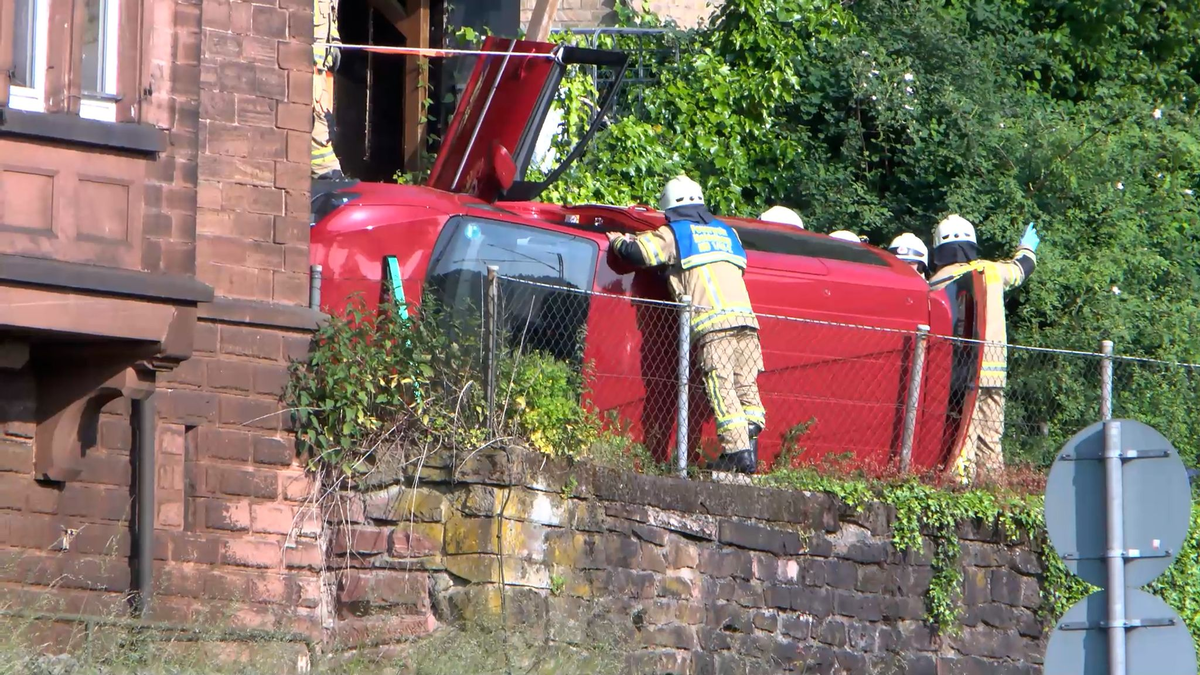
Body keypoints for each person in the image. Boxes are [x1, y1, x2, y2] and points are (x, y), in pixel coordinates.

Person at [606, 176, 765, 474]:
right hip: (747, 322)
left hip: (713, 324)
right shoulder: (728, 232)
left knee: (721, 386)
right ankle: (751, 443)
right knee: (746, 385)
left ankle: (738, 453)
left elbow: (636, 253)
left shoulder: (674, 233)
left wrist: (616, 240)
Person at [928, 214, 1040, 483]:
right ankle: (992, 489)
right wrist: (1027, 248)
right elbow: (1021, 269)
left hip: (957, 372)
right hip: (993, 373)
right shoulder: (989, 271)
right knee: (991, 436)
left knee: (963, 431)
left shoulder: (933, 283)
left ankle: (960, 487)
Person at [312, 0, 345, 180]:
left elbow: (329, 21)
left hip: (321, 71)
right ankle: (329, 175)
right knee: (316, 124)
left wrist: (335, 43)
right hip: (307, 69)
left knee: (322, 120)